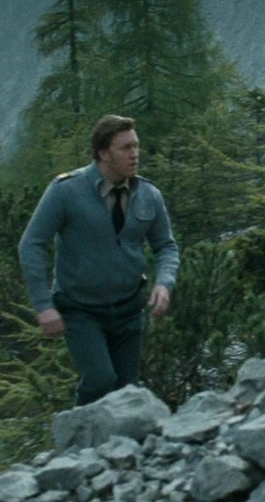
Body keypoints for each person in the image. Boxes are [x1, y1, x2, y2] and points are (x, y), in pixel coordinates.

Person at [19, 114, 179, 406]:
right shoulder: (66, 191)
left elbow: (166, 246)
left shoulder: (149, 195)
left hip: (129, 307)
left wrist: (164, 283)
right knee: (100, 379)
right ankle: (77, 430)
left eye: (136, 146)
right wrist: (43, 306)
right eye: (126, 148)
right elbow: (31, 244)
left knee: (127, 392)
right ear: (103, 153)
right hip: (81, 309)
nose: (135, 154)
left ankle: (120, 437)